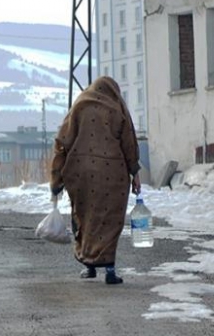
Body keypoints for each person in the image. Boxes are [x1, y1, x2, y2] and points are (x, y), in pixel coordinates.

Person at [49, 76, 141, 285]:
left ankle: (89, 265)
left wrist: (56, 179)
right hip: (113, 174)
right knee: (109, 220)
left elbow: (62, 143)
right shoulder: (117, 108)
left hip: (80, 173)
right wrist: (134, 173)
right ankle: (109, 269)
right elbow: (129, 143)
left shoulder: (79, 105)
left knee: (85, 217)